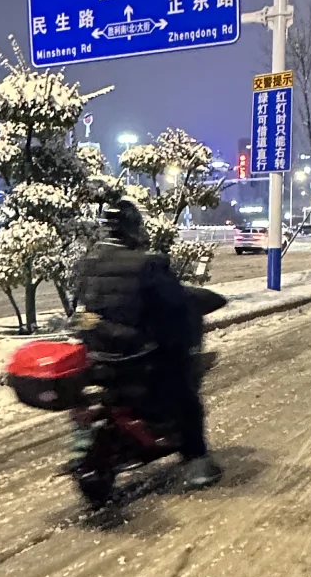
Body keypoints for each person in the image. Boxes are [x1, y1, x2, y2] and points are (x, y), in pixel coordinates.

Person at [76, 197, 221, 488]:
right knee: (186, 395)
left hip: (98, 352)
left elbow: (85, 303)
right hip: (136, 354)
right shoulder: (148, 264)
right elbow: (176, 303)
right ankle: (197, 459)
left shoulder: (86, 262)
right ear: (134, 228)